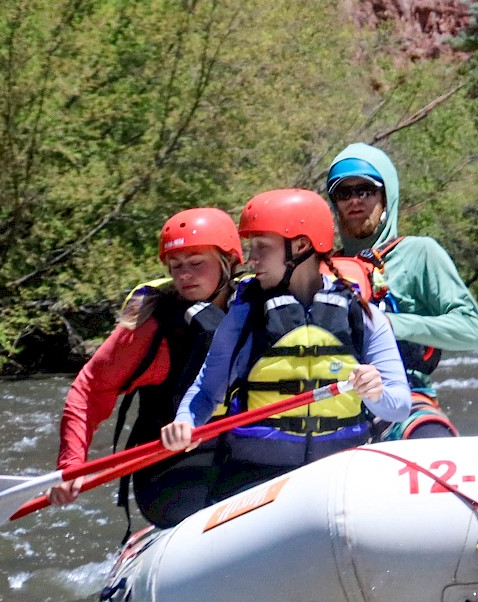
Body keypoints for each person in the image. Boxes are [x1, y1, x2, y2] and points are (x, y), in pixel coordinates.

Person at [163, 189, 412, 520]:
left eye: (262, 248)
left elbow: (399, 406)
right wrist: (185, 423)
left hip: (338, 475)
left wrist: (376, 392)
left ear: (301, 246)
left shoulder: (362, 316)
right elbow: (207, 392)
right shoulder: (244, 317)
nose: (252, 259)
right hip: (258, 476)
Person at [47, 208, 243, 526]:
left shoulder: (254, 306)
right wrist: (71, 466)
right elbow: (89, 389)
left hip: (242, 451)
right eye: (175, 266)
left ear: (228, 263)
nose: (184, 275)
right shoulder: (151, 327)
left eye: (196, 263)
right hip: (170, 466)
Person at [325, 144, 478, 439]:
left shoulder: (419, 253)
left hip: (408, 399)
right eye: (343, 193)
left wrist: (392, 324)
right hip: (340, 402)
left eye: (365, 190)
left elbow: (473, 330)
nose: (354, 201)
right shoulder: (325, 268)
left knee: (431, 436)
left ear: (386, 197)